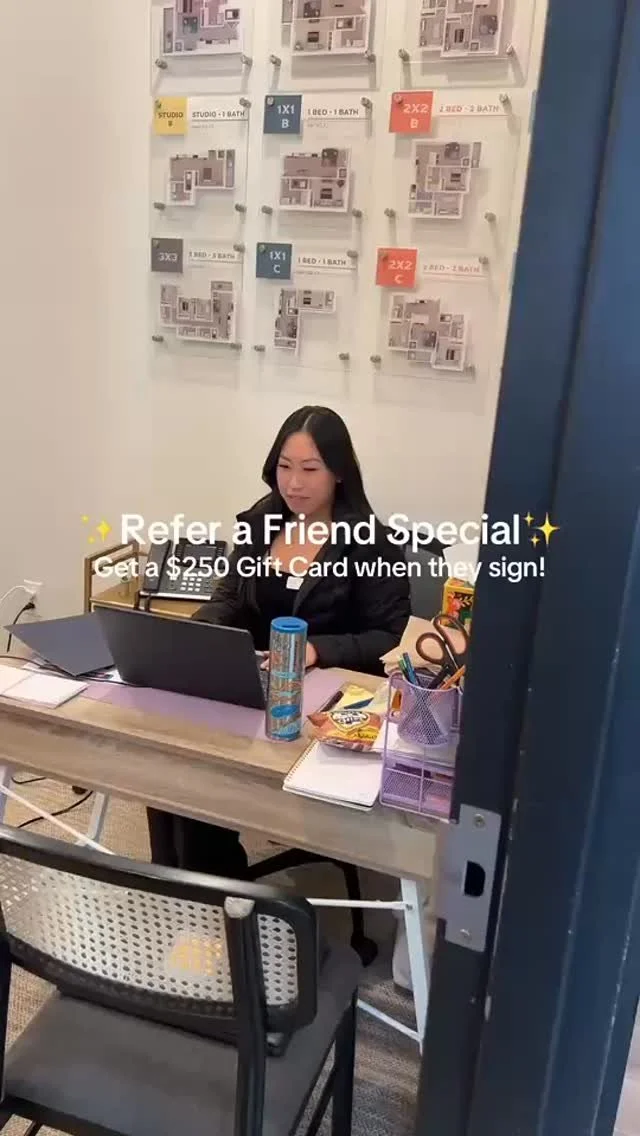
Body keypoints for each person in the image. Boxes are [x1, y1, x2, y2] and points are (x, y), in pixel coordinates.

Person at [146, 405, 412, 878]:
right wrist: (198, 634)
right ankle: (178, 880)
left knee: (209, 773)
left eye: (310, 469)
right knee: (173, 754)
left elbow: (387, 635)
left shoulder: (371, 542)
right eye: (285, 467)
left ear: (339, 472)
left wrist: (316, 649)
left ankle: (221, 891)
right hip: (254, 679)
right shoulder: (261, 522)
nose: (293, 483)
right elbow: (230, 596)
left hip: (325, 699)